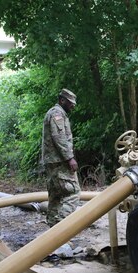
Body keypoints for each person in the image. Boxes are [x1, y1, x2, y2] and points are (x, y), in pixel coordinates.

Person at [41, 88, 81, 227]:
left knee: (56, 197)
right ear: (62, 100)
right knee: (73, 193)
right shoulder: (57, 114)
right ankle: (61, 226)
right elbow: (59, 137)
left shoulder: (56, 113)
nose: (73, 106)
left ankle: (52, 233)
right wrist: (70, 158)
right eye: (70, 103)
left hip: (52, 162)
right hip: (59, 162)